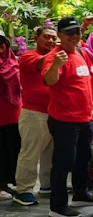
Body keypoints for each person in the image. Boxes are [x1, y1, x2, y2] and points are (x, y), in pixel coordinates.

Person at [42, 17, 93, 217]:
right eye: (69, 33)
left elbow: (83, 84)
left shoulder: (79, 53)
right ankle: (57, 206)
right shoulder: (55, 56)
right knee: (64, 162)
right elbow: (49, 81)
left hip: (84, 118)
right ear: (59, 35)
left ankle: (80, 193)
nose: (74, 36)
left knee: (83, 158)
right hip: (64, 119)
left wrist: (91, 108)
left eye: (77, 32)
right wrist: (56, 64)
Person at [13, 26, 57, 205]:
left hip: (54, 112)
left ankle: (47, 184)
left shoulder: (56, 57)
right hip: (33, 112)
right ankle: (23, 190)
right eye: (47, 37)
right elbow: (41, 63)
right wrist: (61, 49)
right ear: (35, 37)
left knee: (50, 153)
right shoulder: (29, 56)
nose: (51, 41)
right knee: (30, 153)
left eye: (54, 38)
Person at [0, 28, 22, 201]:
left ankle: (6, 183)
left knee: (12, 150)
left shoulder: (13, 62)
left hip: (14, 115)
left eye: (1, 43)